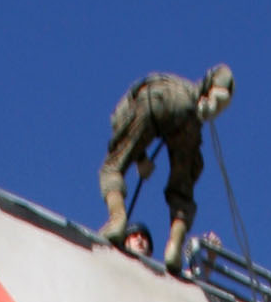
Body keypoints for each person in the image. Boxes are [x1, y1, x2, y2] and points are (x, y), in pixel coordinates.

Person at [98, 67, 234, 269]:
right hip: (189, 112)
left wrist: (140, 159)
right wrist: (213, 97)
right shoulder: (188, 88)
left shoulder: (122, 110)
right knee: (182, 192)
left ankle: (117, 218)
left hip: (155, 100)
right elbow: (222, 73)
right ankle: (174, 245)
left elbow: (122, 140)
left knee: (112, 168)